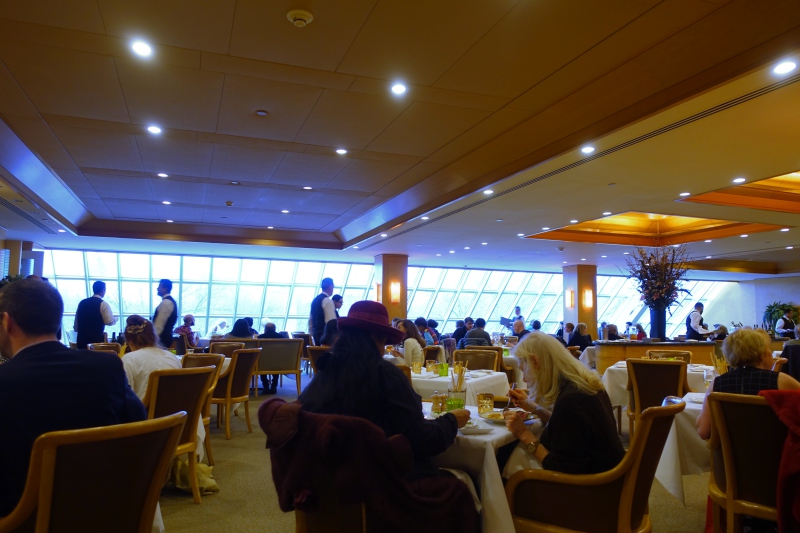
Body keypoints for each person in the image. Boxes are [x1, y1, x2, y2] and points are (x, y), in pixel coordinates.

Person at [0, 279, 146, 518]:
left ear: (6, 321)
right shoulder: (108, 367)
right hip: (104, 508)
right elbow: (138, 425)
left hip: (22, 518)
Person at [298, 300, 470, 480]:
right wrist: (451, 421)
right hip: (383, 485)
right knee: (462, 484)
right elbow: (420, 440)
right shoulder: (386, 375)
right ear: (375, 337)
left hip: (326, 483)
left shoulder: (324, 373)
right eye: (384, 341)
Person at [503, 332, 625, 474]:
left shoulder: (571, 401)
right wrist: (535, 408)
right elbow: (569, 429)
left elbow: (560, 468)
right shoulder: (584, 385)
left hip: (592, 488)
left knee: (509, 462)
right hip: (611, 474)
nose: (524, 379)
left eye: (524, 369)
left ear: (535, 362)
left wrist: (524, 434)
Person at [697, 328, 800, 440]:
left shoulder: (717, 383)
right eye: (768, 349)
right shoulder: (781, 381)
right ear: (761, 354)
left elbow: (703, 432)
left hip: (729, 456)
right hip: (776, 454)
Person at [121, 315, 182, 400]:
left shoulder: (128, 359)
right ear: (154, 337)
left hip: (145, 412)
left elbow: (125, 397)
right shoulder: (172, 357)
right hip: (178, 412)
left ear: (129, 341)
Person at [73, 280, 118, 348]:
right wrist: (116, 319)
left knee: (83, 358)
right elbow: (109, 321)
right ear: (103, 290)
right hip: (96, 342)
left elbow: (76, 325)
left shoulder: (82, 303)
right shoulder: (103, 304)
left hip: (81, 340)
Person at [258, 323, 285, 394]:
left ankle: (265, 386)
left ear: (265, 329)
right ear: (275, 329)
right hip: (278, 361)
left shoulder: (260, 337)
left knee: (261, 363)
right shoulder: (281, 337)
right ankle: (274, 386)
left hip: (263, 361)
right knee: (276, 363)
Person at [309, 277, 336, 345]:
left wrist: (312, 334)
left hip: (316, 336)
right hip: (325, 338)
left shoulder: (315, 300)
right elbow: (331, 322)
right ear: (330, 287)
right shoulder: (327, 300)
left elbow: (311, 320)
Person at [152, 278, 178, 348]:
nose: (157, 288)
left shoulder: (166, 303)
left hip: (162, 340)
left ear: (165, 289)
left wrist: (152, 341)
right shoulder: (169, 302)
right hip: (165, 338)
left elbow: (159, 325)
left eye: (159, 286)